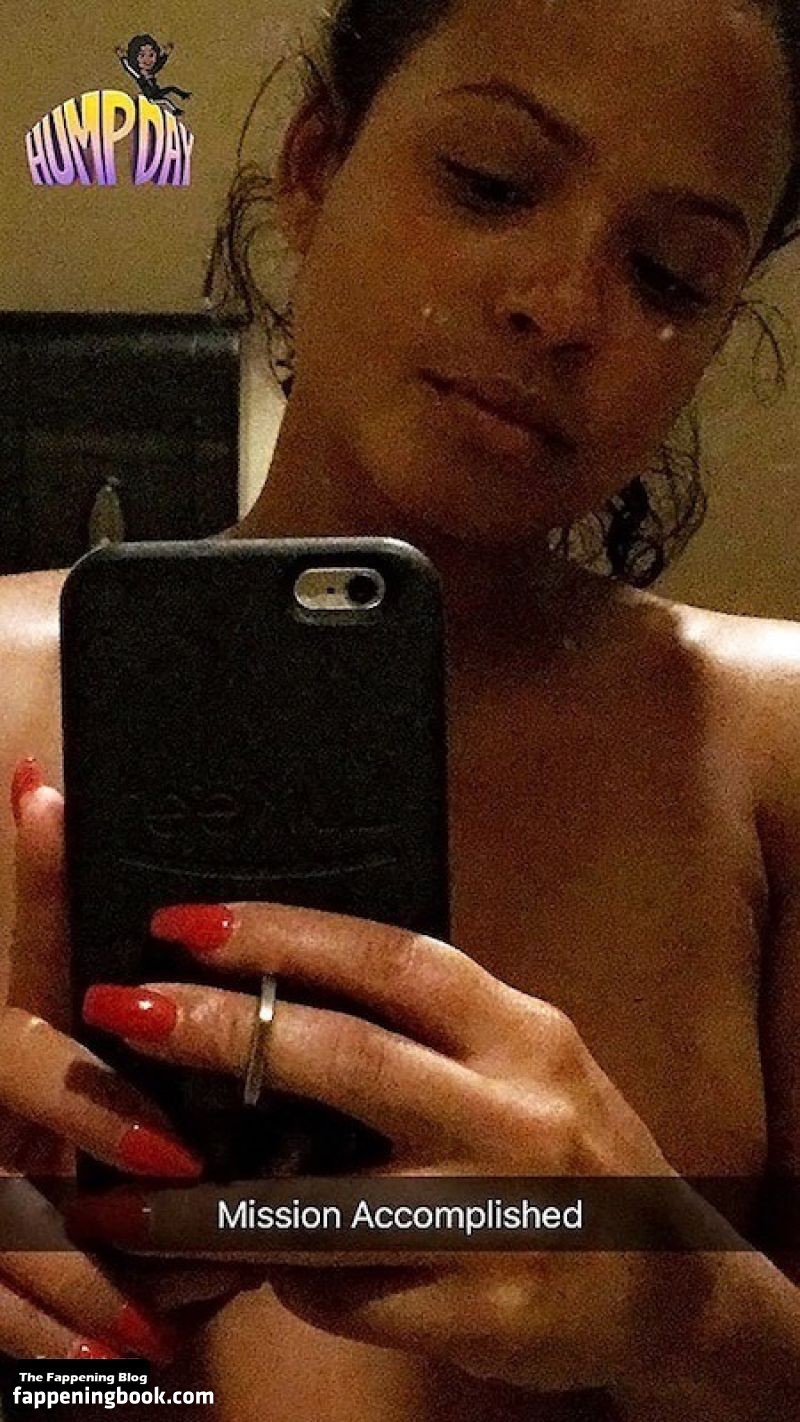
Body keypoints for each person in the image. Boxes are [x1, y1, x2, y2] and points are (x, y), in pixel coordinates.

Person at [2, 0, 800, 1417]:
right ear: (317, 163)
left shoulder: (771, 746)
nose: (562, 306)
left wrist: (692, 1309)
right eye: (491, 183)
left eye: (669, 273)